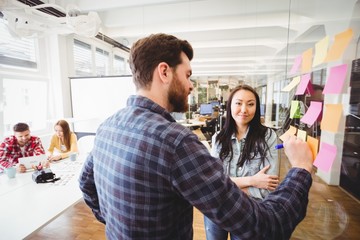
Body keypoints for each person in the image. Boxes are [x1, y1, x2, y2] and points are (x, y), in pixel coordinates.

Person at [79, 33, 313, 240]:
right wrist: (301, 169)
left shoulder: (107, 127)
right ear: (164, 72)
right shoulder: (176, 142)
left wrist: (115, 224)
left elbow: (86, 184)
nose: (191, 86)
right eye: (188, 75)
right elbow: (265, 227)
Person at [204, 84, 280, 240]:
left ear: (256, 108)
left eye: (250, 104)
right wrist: (252, 181)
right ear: (230, 106)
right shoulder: (218, 138)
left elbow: (268, 187)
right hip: (218, 209)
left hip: (250, 211)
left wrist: (228, 186)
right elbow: (215, 183)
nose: (244, 109)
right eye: (238, 103)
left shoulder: (268, 137)